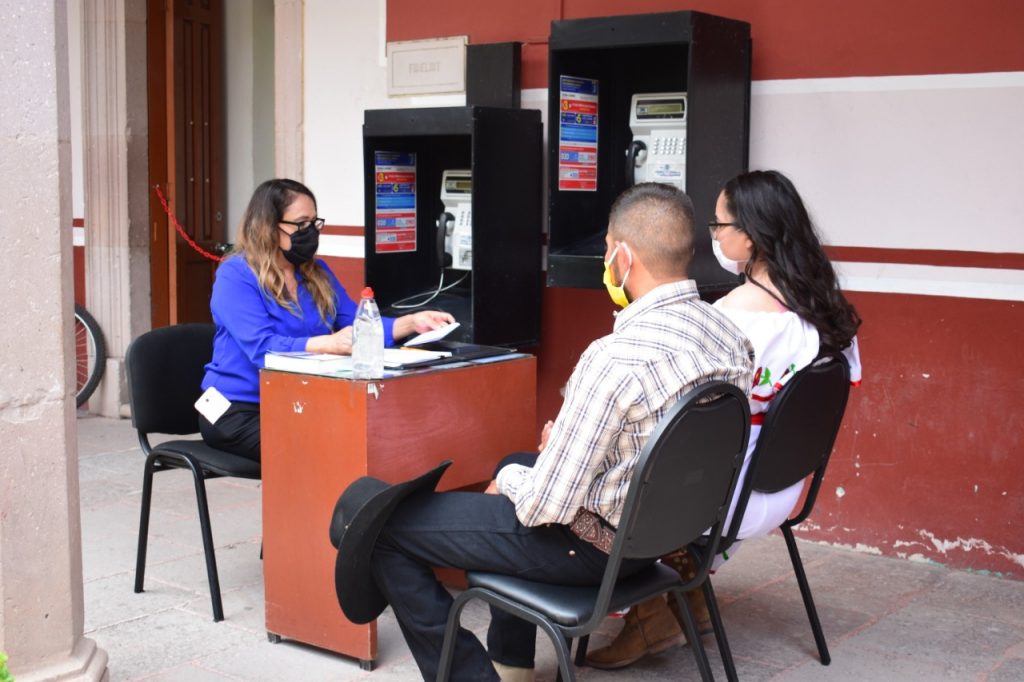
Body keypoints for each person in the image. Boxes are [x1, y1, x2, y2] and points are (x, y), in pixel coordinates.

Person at [363, 182, 755, 681]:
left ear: (622, 257)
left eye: (607, 251)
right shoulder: (729, 334)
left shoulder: (615, 358)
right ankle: (512, 664)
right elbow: (664, 444)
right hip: (664, 537)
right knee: (514, 461)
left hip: (595, 553)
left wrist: (517, 481)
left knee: (386, 530)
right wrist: (545, 460)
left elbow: (541, 507)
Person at [585, 169, 863, 669]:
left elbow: (670, 428)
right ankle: (689, 592)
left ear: (750, 234)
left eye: (718, 224)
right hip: (783, 490)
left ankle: (649, 615)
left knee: (606, 469)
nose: (712, 235)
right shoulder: (823, 308)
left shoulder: (730, 321)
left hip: (723, 503)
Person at [198, 178, 453, 461]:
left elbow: (354, 323)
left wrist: (412, 322)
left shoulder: (316, 272)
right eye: (301, 224)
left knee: (382, 437)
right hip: (238, 409)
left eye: (314, 223)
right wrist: (329, 343)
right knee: (326, 450)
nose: (311, 233)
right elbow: (262, 348)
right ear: (269, 227)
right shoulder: (236, 275)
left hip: (303, 401)